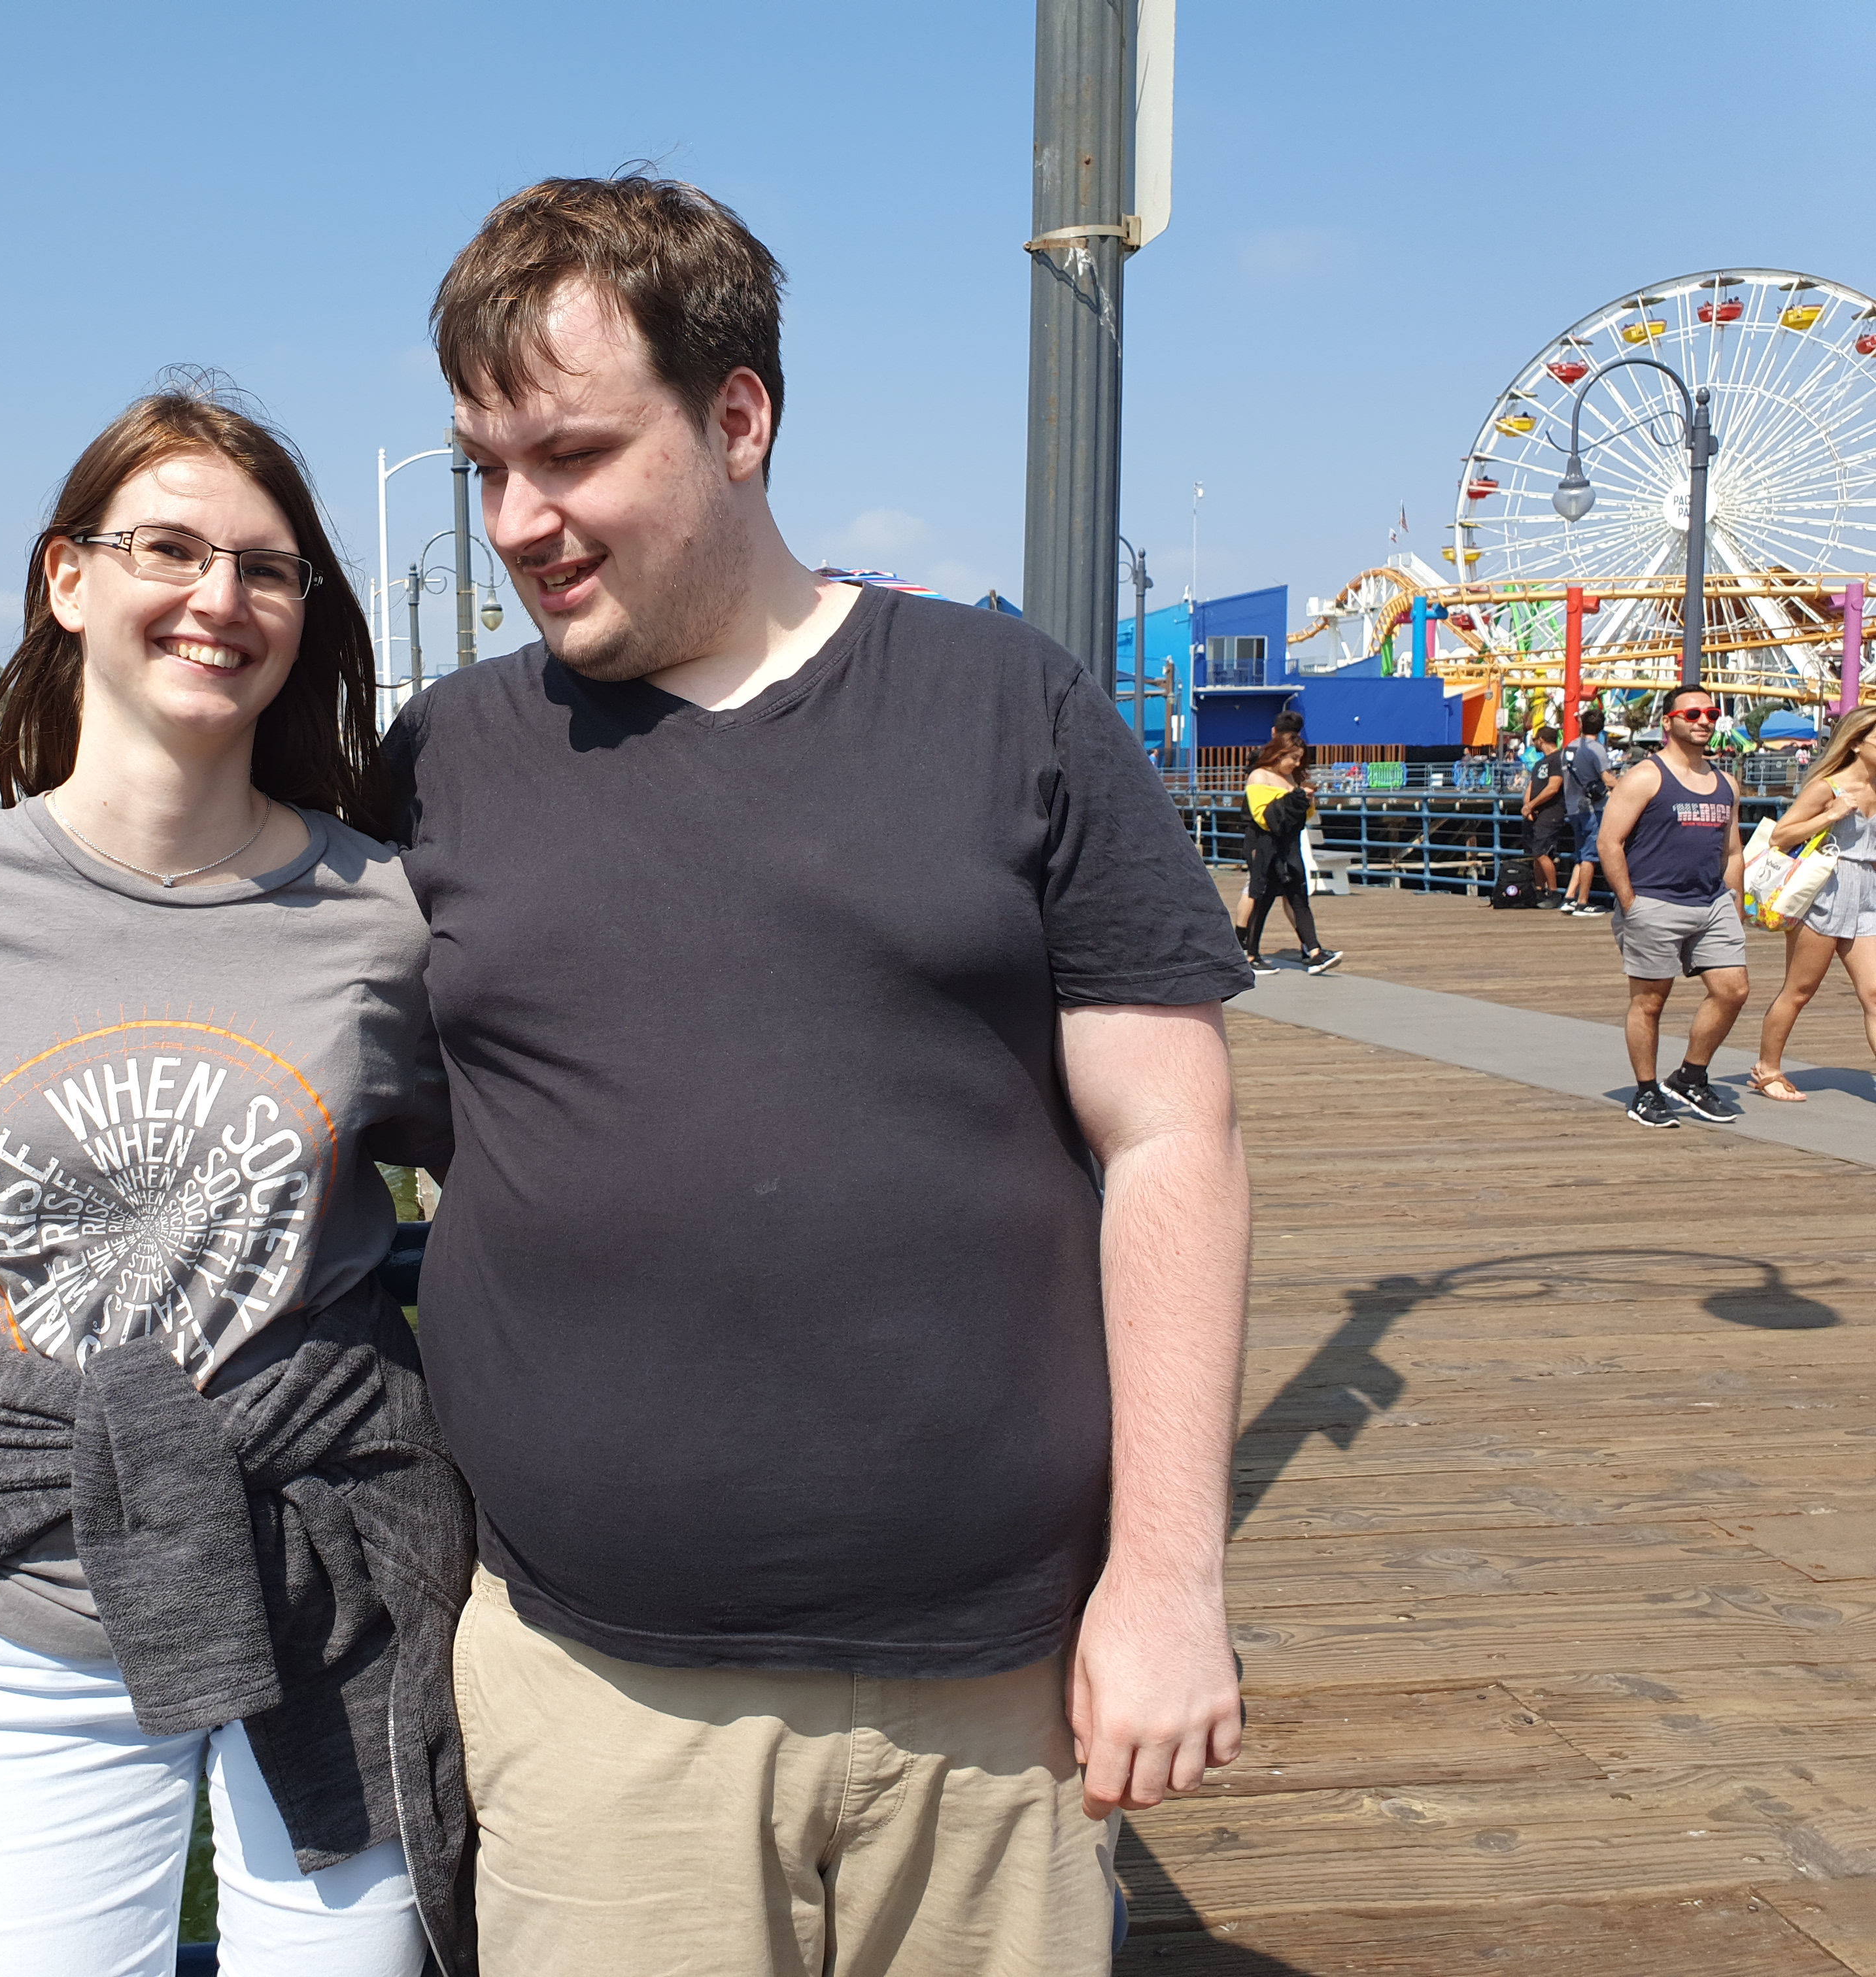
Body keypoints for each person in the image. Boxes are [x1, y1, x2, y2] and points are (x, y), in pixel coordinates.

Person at [389, 174, 1252, 1975]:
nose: (519, 522)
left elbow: (1173, 1136)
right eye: (486, 468)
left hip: (998, 1698)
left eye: (572, 455)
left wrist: (1169, 1582)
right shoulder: (445, 757)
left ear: (739, 418)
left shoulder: (1008, 705)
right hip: (596, 1699)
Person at [0, 388, 470, 1977]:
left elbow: (504, 1163)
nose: (218, 598)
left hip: (336, 1575)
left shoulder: (388, 916)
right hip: (34, 1583)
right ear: (67, 578)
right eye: (167, 549)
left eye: (267, 567)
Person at [1599, 684, 1748, 1126]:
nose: (1704, 721)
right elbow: (1610, 842)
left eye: (1711, 714)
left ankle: (1690, 1077)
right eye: (1693, 714)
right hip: (1655, 901)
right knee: (1650, 1001)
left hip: (1712, 902)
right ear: (1669, 722)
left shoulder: (1726, 784)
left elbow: (1733, 851)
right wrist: (1632, 903)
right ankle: (1646, 1092)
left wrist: (1735, 905)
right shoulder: (1646, 777)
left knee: (1733, 990)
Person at [1746, 705, 1876, 1102]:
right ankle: (1767, 1068)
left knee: (1874, 993)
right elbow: (1780, 836)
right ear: (1856, 744)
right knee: (1800, 989)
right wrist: (1831, 814)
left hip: (1868, 893)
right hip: (1825, 889)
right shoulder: (1827, 787)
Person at [1239, 734, 1342, 975]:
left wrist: (1307, 802)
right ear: (1279, 754)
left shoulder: (1290, 778)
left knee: (1298, 896)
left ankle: (1315, 952)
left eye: (1299, 759)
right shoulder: (1259, 776)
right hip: (1265, 846)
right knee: (1262, 898)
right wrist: (1296, 798)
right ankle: (1250, 955)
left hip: (1289, 846)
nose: (1296, 764)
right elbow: (1265, 818)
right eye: (1293, 758)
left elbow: (1303, 816)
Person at [1231, 706, 1303, 941]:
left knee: (1260, 889)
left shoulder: (1261, 761)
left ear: (1273, 731)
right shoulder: (1291, 765)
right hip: (1278, 835)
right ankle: (1245, 941)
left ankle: (1243, 940)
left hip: (1261, 832)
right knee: (1278, 891)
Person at [1560, 705, 1614, 917]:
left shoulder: (1569, 748)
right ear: (1601, 727)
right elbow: (1608, 779)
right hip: (1593, 808)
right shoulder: (1596, 749)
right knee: (1590, 855)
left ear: (1582, 725)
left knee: (1581, 854)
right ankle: (1583, 902)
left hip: (1573, 807)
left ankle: (1570, 898)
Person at [1519, 724, 1567, 900]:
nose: (1534, 744)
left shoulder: (1557, 760)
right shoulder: (1540, 763)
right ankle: (1539, 891)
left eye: (1535, 740)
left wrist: (1532, 805)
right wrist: (1528, 806)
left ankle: (1553, 893)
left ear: (1541, 740)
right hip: (1536, 813)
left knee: (1542, 852)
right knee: (1536, 853)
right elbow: (1531, 787)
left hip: (1551, 812)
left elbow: (1553, 787)